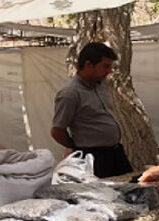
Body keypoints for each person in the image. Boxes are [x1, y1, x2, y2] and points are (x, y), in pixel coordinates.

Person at [51, 42, 132, 178]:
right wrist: (78, 147)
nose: (109, 71)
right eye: (106, 66)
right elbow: (57, 131)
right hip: (93, 159)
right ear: (89, 65)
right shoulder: (70, 93)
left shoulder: (102, 85)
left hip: (116, 153)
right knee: (103, 196)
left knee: (129, 190)